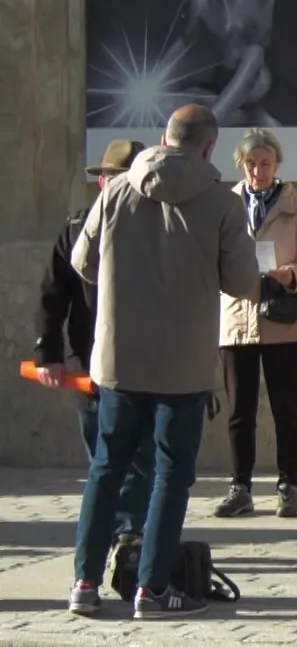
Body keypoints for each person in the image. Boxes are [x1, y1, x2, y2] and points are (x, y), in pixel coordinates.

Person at [68, 105, 264, 619]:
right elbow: (243, 283)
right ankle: (152, 590)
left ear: (163, 139)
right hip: (184, 362)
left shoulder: (114, 192)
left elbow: (81, 262)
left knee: (106, 469)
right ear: (208, 148)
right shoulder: (222, 203)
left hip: (119, 356)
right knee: (171, 475)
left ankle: (84, 583)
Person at [34, 139, 153, 546]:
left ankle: (132, 534)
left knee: (142, 456)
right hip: (91, 361)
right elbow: (53, 295)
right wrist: (48, 354)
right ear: (102, 183)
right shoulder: (76, 229)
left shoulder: (166, 229)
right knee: (103, 456)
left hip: (149, 360)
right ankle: (120, 531)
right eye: (113, 180)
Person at [213, 129, 297, 520]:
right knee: (239, 409)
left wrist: (288, 275)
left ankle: (289, 485)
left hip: (283, 320)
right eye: (251, 163)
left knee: (286, 408)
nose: (257, 170)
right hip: (237, 318)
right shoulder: (223, 205)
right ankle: (239, 486)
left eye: (265, 163)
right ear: (240, 165)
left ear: (276, 165)